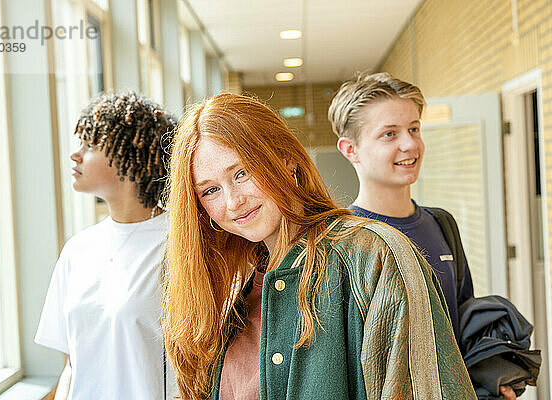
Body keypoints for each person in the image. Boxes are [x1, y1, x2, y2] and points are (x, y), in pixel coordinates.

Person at [162, 92, 476, 400]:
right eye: (211, 190)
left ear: (286, 160)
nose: (233, 202)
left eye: (242, 173)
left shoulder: (373, 256)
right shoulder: (225, 289)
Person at [328, 72, 516, 400]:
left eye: (414, 128)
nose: (410, 144)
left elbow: (460, 324)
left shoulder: (441, 223)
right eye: (389, 134)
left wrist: (489, 381)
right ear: (351, 150)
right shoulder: (340, 243)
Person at [35, 92, 177, 400]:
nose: (75, 155)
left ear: (130, 154)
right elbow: (74, 362)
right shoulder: (78, 250)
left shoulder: (180, 245)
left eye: (90, 146)